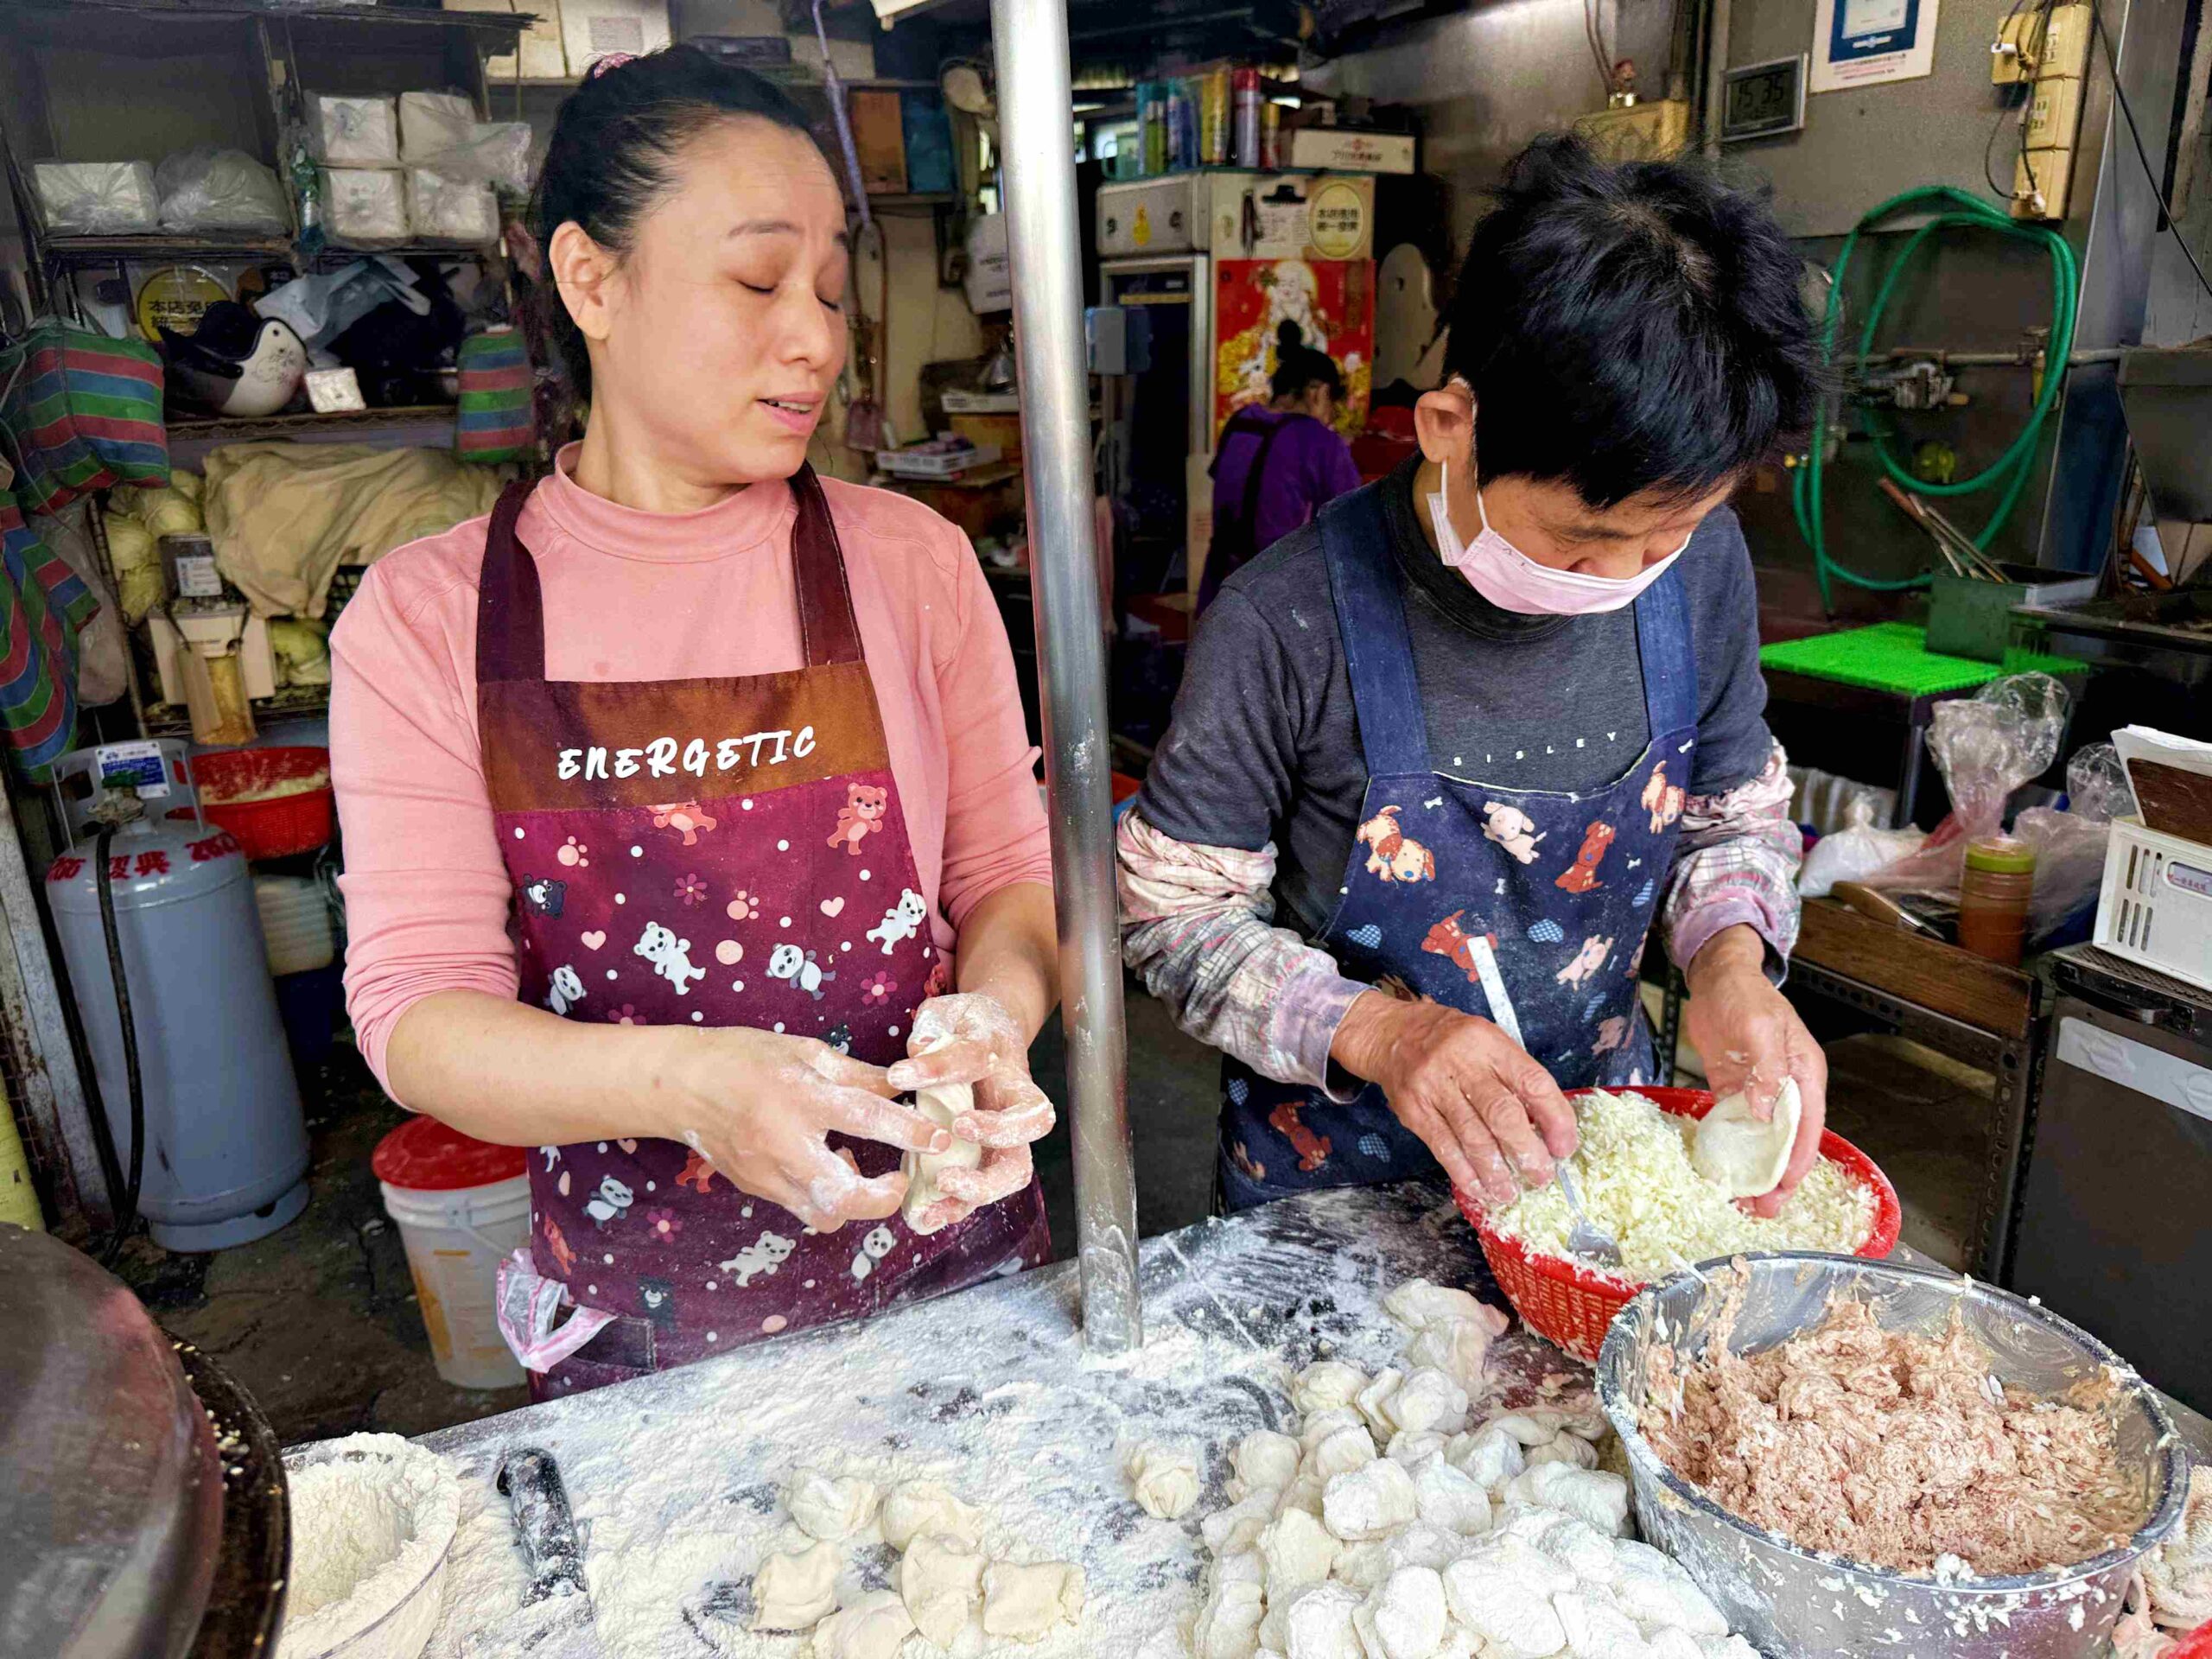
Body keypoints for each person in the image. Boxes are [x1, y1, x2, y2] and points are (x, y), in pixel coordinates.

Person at [331, 48, 1058, 1396]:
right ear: (592, 280)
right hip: (654, 1328)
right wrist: (692, 1088)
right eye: (758, 280)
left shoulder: (912, 564)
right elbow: (421, 1014)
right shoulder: (430, 618)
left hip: (950, 1268)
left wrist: (996, 1020)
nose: (819, 338)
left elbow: (1008, 879)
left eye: (833, 288)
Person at [1118, 135, 1827, 1217]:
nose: (1628, 576)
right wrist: (1384, 1031)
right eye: (1585, 538)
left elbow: (1730, 820)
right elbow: (1170, 919)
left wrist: (1731, 963)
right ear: (1450, 426)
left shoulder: (1701, 573)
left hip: (1602, 1173)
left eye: (1672, 531)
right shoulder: (1284, 619)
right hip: (1333, 1197)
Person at [1198, 321, 1363, 612]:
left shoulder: (1241, 423)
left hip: (1220, 591)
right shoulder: (1321, 442)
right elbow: (1352, 526)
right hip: (1279, 600)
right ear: (1318, 393)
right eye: (1331, 404)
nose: (1330, 417)